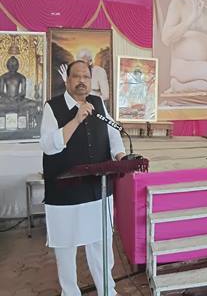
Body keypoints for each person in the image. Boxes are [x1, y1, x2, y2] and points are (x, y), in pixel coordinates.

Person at [40, 60, 126, 296]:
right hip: (65, 194)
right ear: (67, 81)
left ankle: (107, 291)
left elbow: (112, 132)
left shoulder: (97, 103)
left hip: (97, 189)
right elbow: (48, 145)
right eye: (76, 76)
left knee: (101, 244)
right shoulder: (53, 107)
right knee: (66, 248)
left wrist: (121, 155)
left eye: (86, 77)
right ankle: (70, 292)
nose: (82, 81)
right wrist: (76, 119)